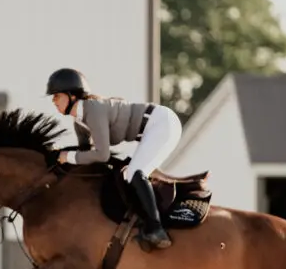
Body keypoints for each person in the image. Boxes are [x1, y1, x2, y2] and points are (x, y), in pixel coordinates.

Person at [45, 67, 183, 251]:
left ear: (72, 96)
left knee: (134, 172)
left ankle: (156, 228)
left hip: (162, 124)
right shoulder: (80, 122)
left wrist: (67, 156)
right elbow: (85, 154)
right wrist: (58, 155)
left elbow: (102, 155)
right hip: (153, 126)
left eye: (56, 96)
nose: (53, 101)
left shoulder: (92, 110)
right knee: (129, 174)